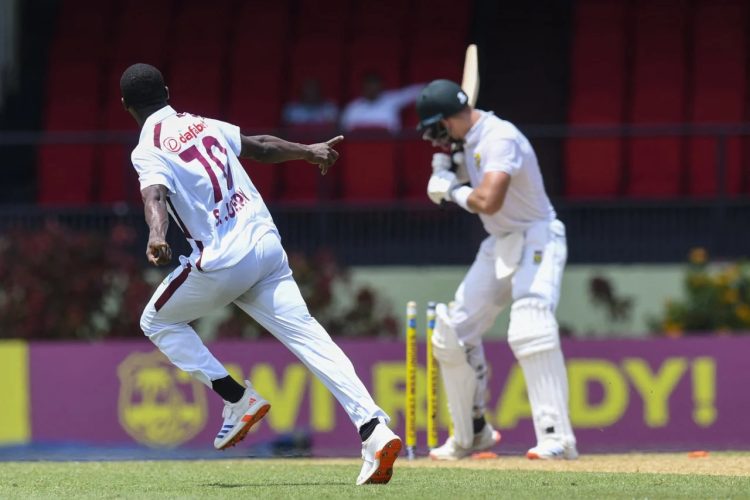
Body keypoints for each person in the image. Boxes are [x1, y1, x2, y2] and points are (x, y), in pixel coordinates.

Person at [120, 63, 401, 485]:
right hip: (266, 245)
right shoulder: (201, 124)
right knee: (310, 338)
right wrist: (309, 151)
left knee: (156, 321)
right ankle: (374, 429)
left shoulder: (148, 148)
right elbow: (263, 148)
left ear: (127, 108)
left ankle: (237, 399)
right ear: (167, 91)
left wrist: (156, 236)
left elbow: (154, 194)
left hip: (222, 260)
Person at [416, 79, 578, 460]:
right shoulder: (469, 140)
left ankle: (558, 438)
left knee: (530, 325)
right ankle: (471, 434)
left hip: (538, 236)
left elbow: (488, 200)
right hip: (501, 242)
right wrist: (450, 168)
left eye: (437, 130)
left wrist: (449, 188)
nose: (436, 139)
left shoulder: (499, 137)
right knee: (451, 333)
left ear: (447, 119)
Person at [340, 73, 422, 133]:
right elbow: (344, 133)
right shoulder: (352, 108)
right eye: (368, 85)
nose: (371, 89)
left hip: (389, 149)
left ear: (381, 86)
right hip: (358, 151)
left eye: (374, 84)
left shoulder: (392, 100)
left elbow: (414, 92)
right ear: (363, 86)